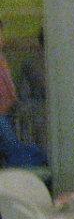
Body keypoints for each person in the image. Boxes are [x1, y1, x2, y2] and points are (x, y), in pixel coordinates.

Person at [0, 19, 44, 167]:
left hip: (10, 112)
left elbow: (13, 93)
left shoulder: (2, 59)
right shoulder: (31, 64)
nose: (2, 39)